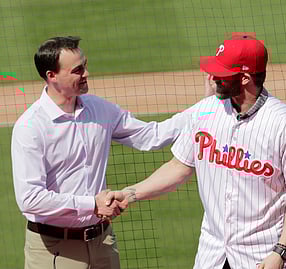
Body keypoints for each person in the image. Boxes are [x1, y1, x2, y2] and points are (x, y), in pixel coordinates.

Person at [108, 33, 286, 269]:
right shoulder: (206, 111)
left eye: (222, 73)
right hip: (213, 255)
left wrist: (280, 252)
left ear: (244, 78)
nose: (213, 77)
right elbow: (179, 167)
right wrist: (130, 193)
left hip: (262, 257)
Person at [11, 36, 194, 269]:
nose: (86, 73)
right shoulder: (31, 127)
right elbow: (30, 199)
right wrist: (91, 204)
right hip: (55, 249)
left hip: (102, 242)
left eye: (85, 65)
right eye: (78, 70)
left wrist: (205, 109)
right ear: (52, 76)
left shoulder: (99, 109)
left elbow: (152, 136)